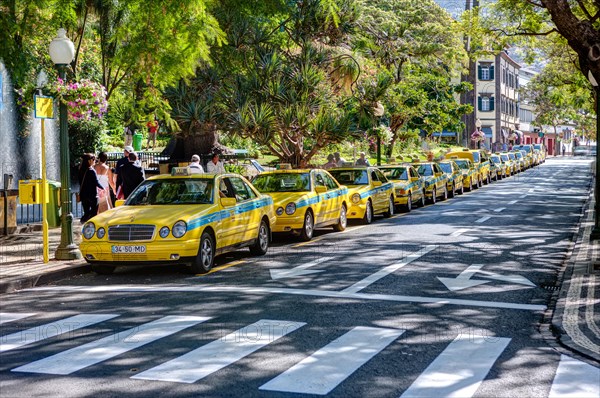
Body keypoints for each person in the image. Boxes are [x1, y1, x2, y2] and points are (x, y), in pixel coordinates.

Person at [78, 153, 105, 223]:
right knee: (94, 213)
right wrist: (103, 188)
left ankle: (84, 221)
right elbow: (96, 182)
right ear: (89, 161)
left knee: (86, 211)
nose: (95, 161)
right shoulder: (92, 171)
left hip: (83, 194)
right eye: (93, 159)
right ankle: (91, 226)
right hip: (92, 195)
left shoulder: (80, 170)